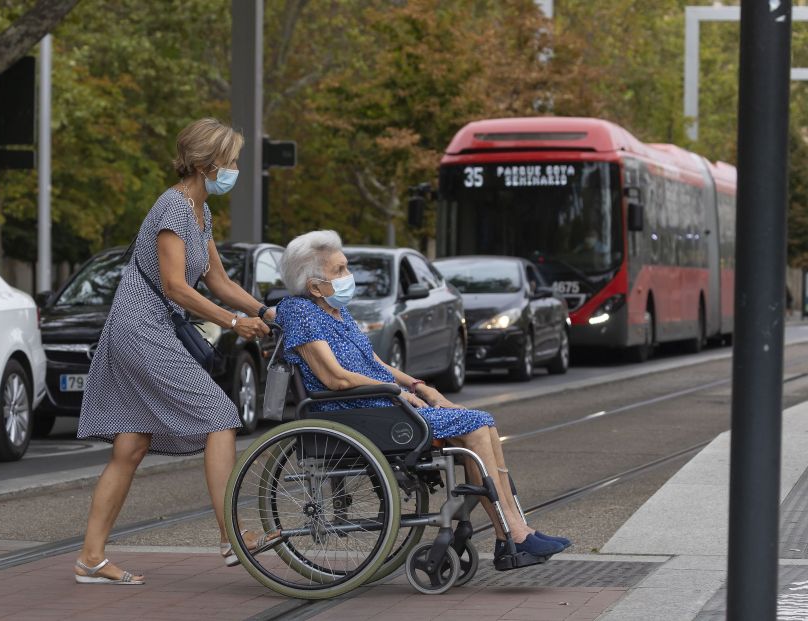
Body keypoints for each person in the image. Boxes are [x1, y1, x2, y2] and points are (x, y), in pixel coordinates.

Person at [275, 230, 571, 566]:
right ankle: (512, 536)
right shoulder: (300, 311)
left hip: (382, 404)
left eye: (347, 268)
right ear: (314, 286)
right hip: (358, 411)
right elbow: (336, 377)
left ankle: (517, 531)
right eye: (340, 270)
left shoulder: (336, 311)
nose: (349, 276)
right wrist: (397, 392)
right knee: (476, 428)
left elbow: (374, 362)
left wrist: (419, 386)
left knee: (484, 428)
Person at [74, 118, 276, 585]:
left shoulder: (199, 212)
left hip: (146, 327)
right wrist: (231, 322)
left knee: (131, 444)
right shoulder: (172, 206)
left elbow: (219, 281)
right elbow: (175, 286)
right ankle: (231, 536)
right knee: (220, 417)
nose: (234, 170)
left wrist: (267, 311)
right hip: (140, 328)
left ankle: (90, 557)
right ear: (206, 164)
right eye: (230, 162)